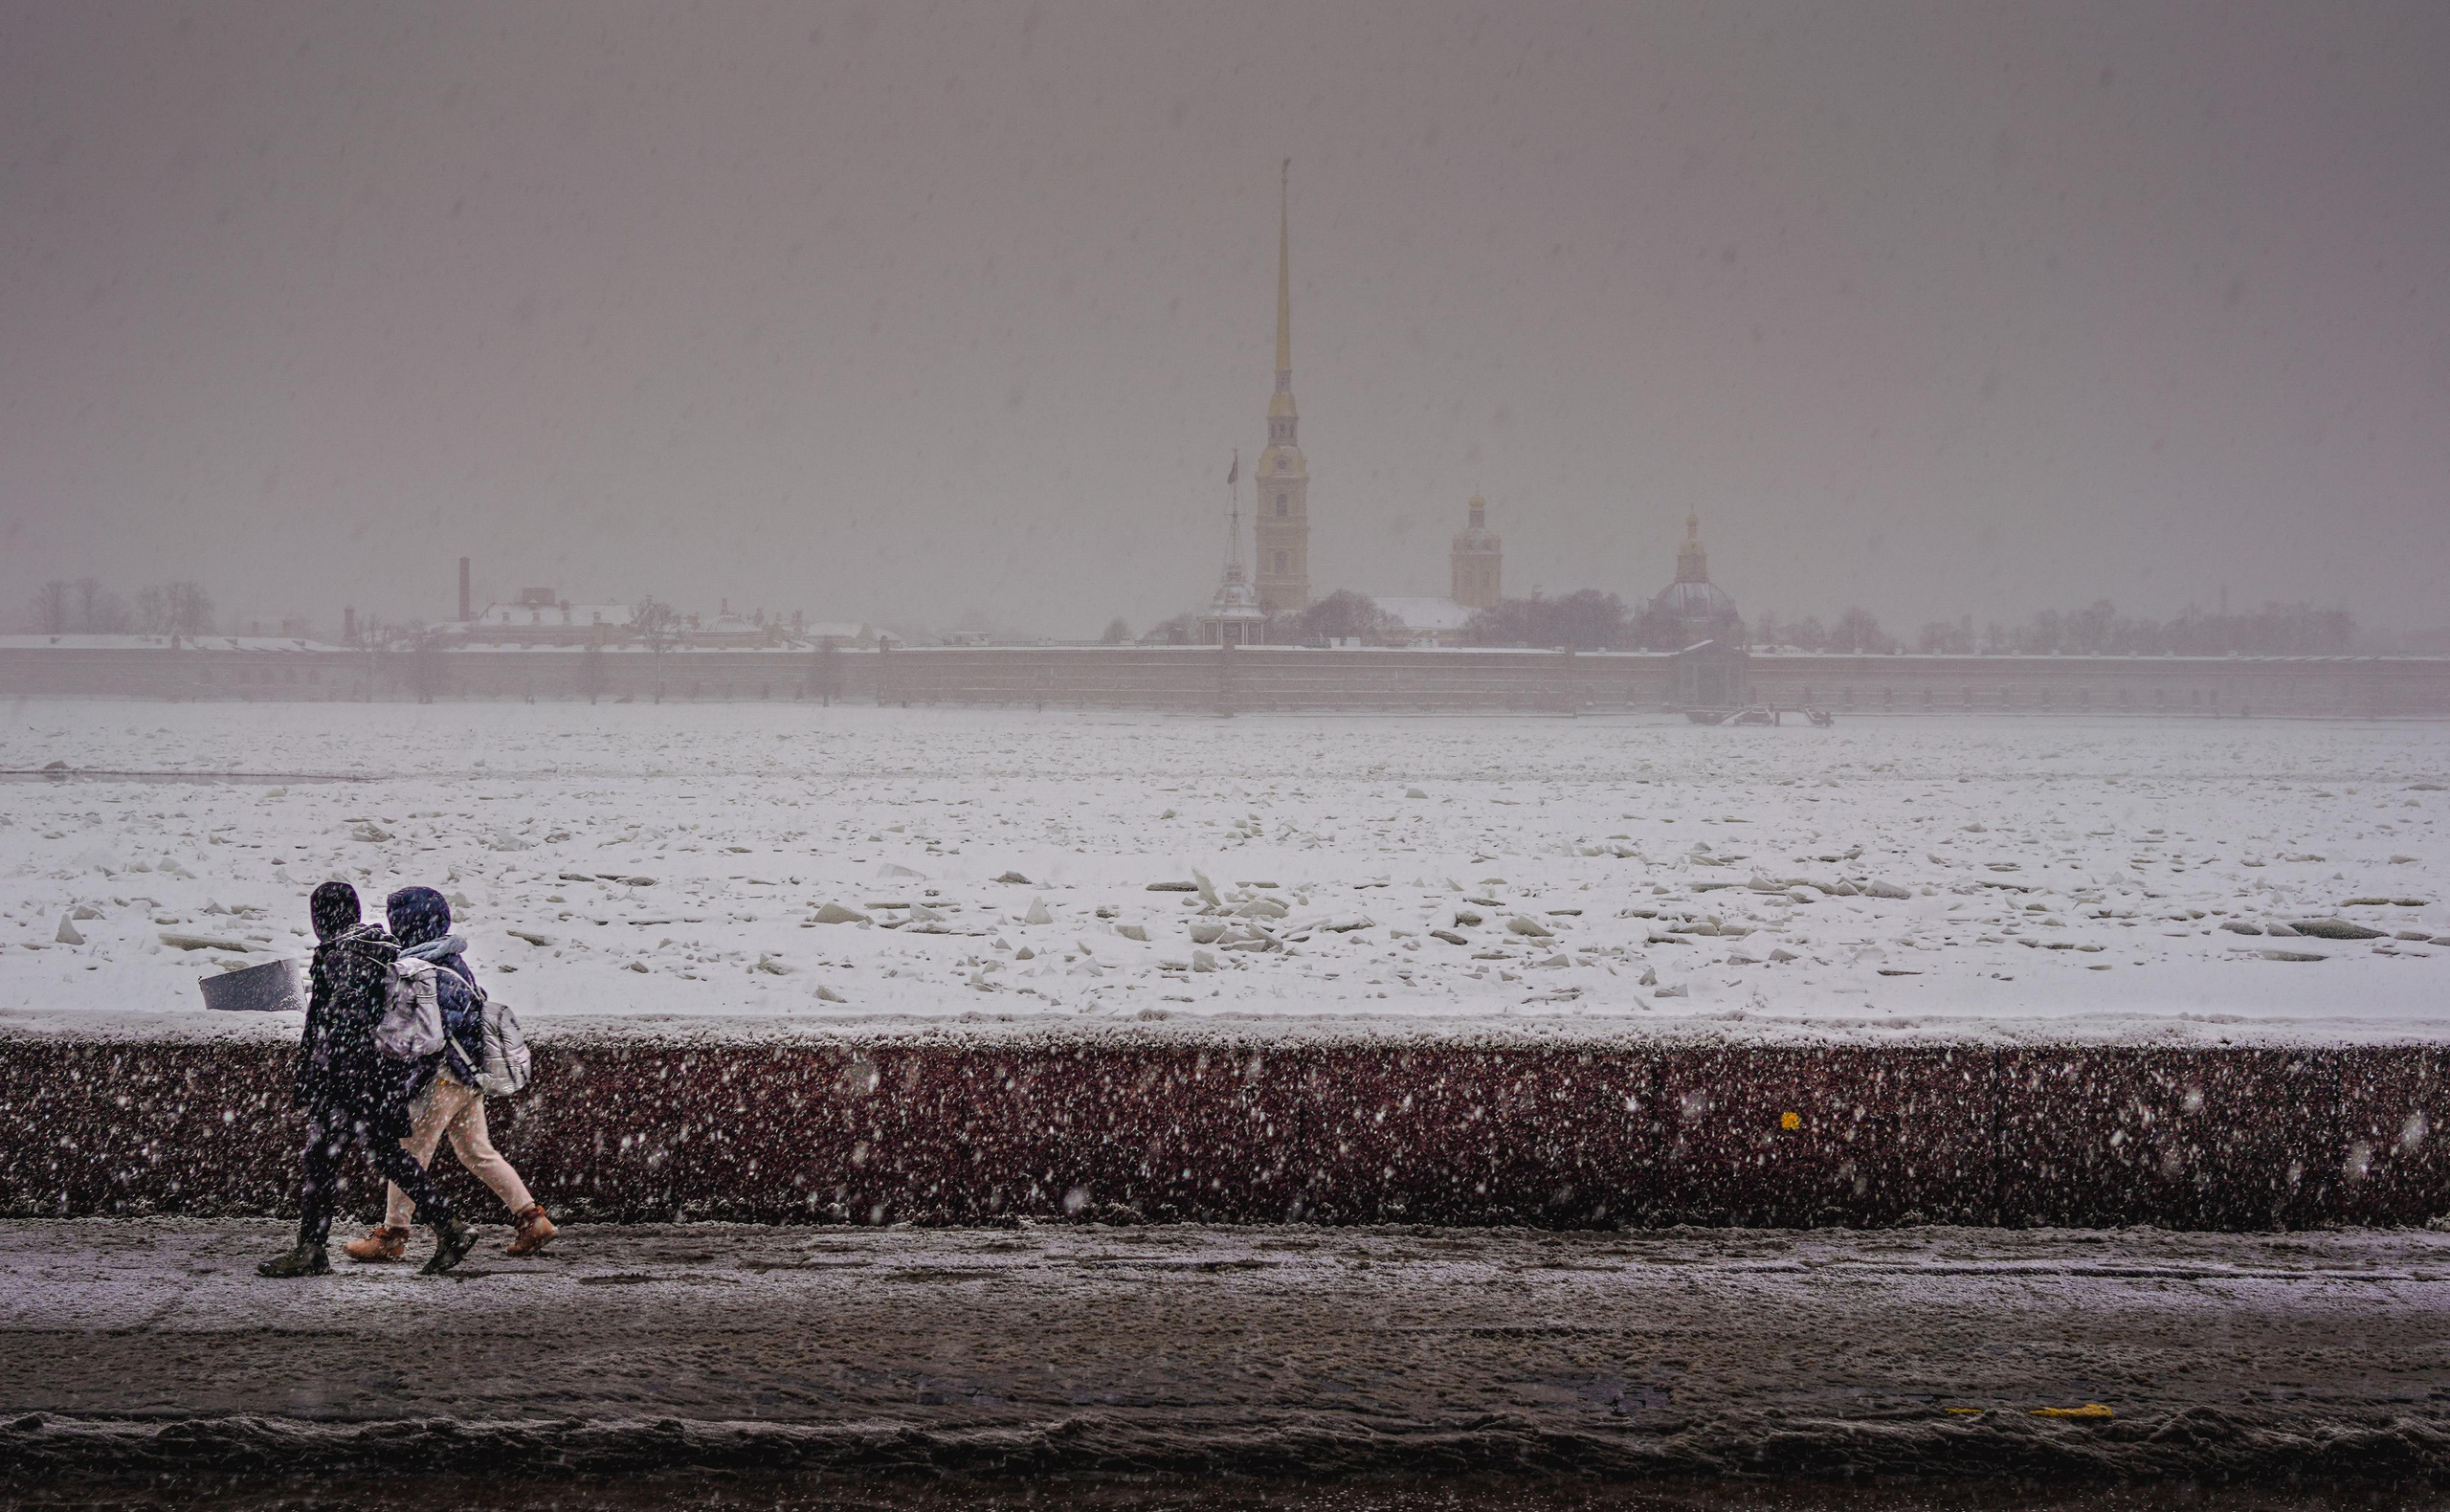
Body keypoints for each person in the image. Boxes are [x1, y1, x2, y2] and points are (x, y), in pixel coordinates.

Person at [260, 881, 477, 1278]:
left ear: (321, 917)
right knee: (387, 1157)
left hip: (348, 1082)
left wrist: (326, 1078)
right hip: (380, 1078)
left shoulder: (343, 954)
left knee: (322, 1161)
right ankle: (449, 1227)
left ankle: (312, 1249)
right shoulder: (381, 948)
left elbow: (344, 1023)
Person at [341, 886, 556, 1262]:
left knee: (410, 1154)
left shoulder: (424, 970)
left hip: (441, 1078)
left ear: (407, 923)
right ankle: (531, 1218)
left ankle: (393, 1234)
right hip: (468, 1075)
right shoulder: (452, 960)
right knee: (476, 1151)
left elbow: (425, 1034)